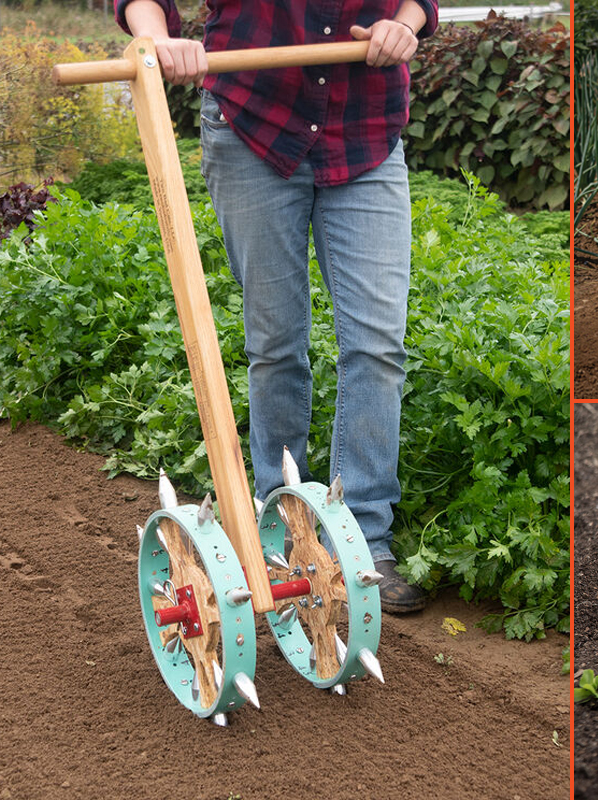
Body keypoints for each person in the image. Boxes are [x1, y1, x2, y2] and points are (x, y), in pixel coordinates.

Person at [115, 0, 438, 612]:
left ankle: (363, 535)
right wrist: (157, 38)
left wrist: (407, 23)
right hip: (252, 130)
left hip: (364, 134)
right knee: (277, 344)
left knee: (377, 345)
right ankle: (279, 529)